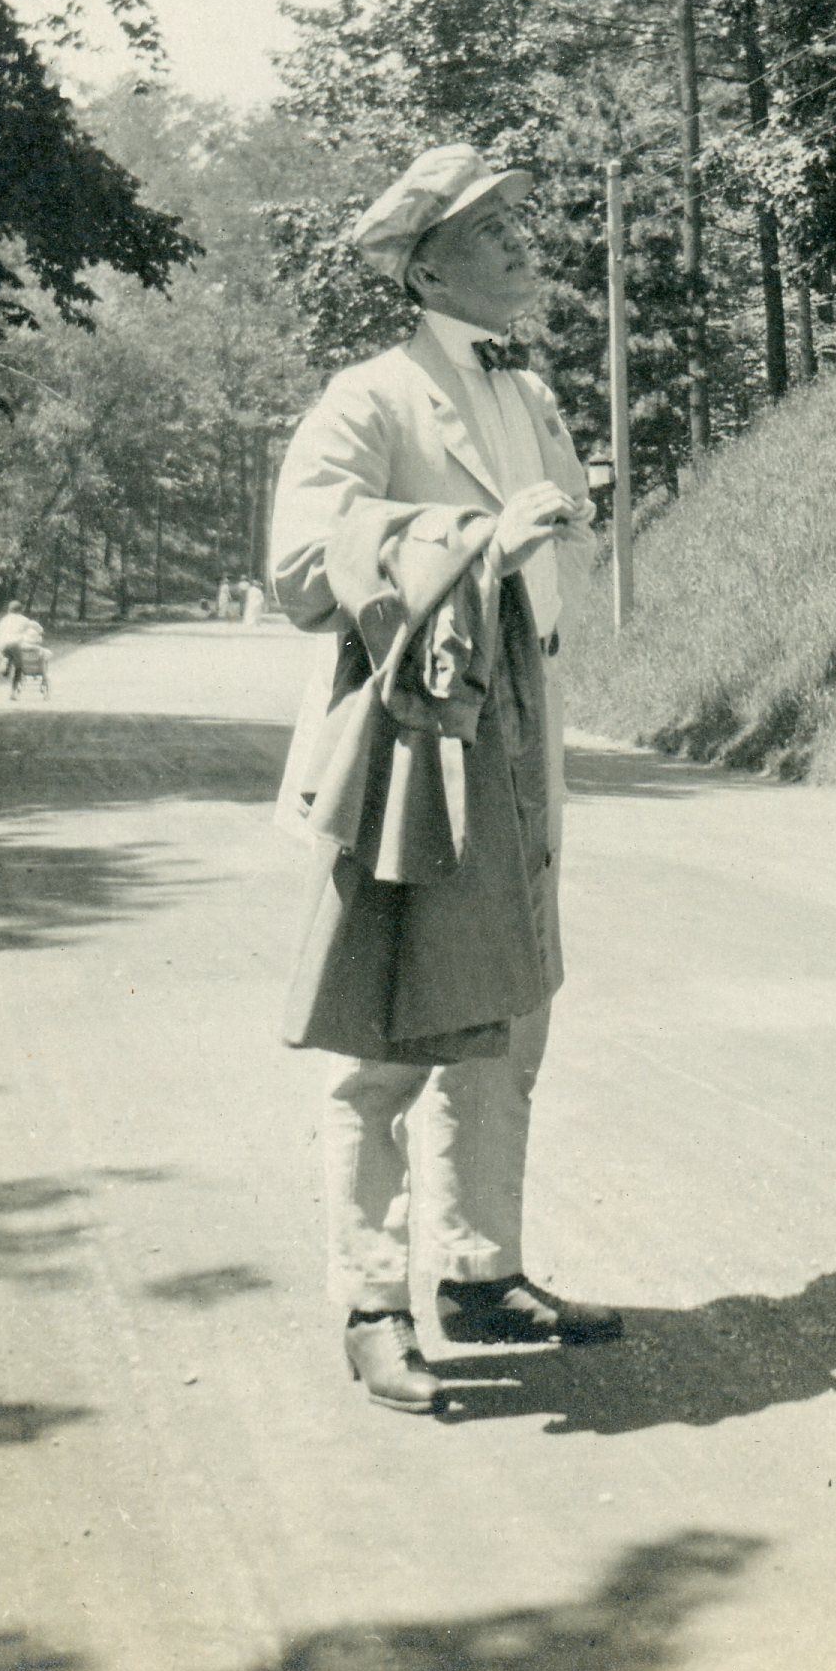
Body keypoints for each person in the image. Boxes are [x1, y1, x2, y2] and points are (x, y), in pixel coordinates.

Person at [270, 142, 618, 1415]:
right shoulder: (369, 396)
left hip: (521, 730)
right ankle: (374, 1303)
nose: (524, 243)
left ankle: (480, 1269)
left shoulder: (524, 389)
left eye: (519, 223)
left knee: (510, 1010)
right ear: (424, 270)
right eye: (491, 231)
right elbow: (301, 566)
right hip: (412, 749)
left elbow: (559, 535)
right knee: (384, 1034)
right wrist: (474, 539)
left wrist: (564, 523)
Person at [0, 600, 42, 690]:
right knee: (19, 666)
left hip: (3, 644)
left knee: (7, 655)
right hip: (16, 644)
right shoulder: (24, 620)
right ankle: (14, 690)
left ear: (9, 610)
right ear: (20, 610)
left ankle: (6, 661)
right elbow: (35, 630)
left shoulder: (4, 620)